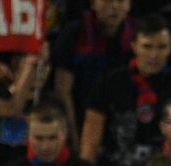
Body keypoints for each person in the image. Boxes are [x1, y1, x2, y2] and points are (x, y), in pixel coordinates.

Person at [80, 15, 171, 166]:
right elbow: (90, 142)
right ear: (134, 46)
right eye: (147, 46)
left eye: (161, 47)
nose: (154, 55)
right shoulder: (110, 83)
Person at [52, 0, 136, 146]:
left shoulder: (138, 35)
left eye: (121, 1)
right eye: (107, 1)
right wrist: (76, 139)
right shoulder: (75, 32)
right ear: (93, 3)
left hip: (123, 124)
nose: (114, 6)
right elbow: (62, 91)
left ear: (129, 5)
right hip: (80, 116)